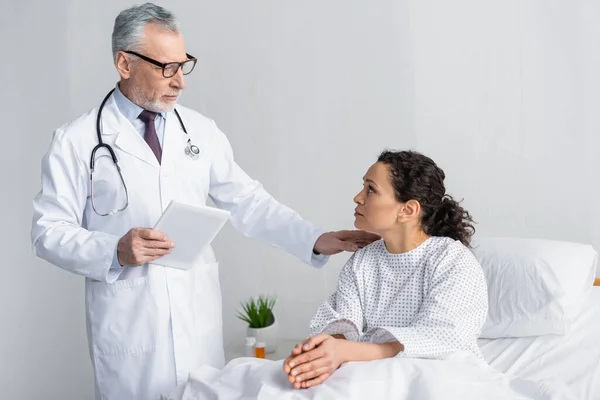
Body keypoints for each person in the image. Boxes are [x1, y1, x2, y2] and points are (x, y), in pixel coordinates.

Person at [30, 3, 378, 400]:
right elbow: (47, 233)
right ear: (124, 63)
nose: (180, 81)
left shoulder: (200, 131)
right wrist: (115, 249)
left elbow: (248, 201)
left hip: (197, 325)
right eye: (166, 67)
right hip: (130, 331)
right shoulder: (76, 141)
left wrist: (314, 238)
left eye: (184, 65)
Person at [283, 150, 489, 389]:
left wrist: (347, 350)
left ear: (408, 210)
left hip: (442, 380)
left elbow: (442, 339)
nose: (358, 197)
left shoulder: (451, 259)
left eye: (371, 189)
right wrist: (322, 352)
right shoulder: (363, 261)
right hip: (375, 378)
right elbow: (343, 322)